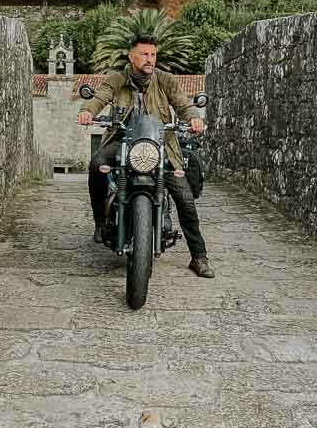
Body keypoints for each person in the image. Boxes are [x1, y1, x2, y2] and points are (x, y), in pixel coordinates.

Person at [77, 32, 215, 278]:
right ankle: (100, 221)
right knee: (96, 164)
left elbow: (182, 103)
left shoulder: (165, 80)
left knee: (184, 198)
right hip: (123, 141)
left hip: (161, 145)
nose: (149, 59)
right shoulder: (117, 79)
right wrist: (88, 111)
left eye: (152, 54)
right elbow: (100, 97)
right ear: (132, 57)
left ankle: (199, 256)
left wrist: (193, 117)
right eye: (144, 54)